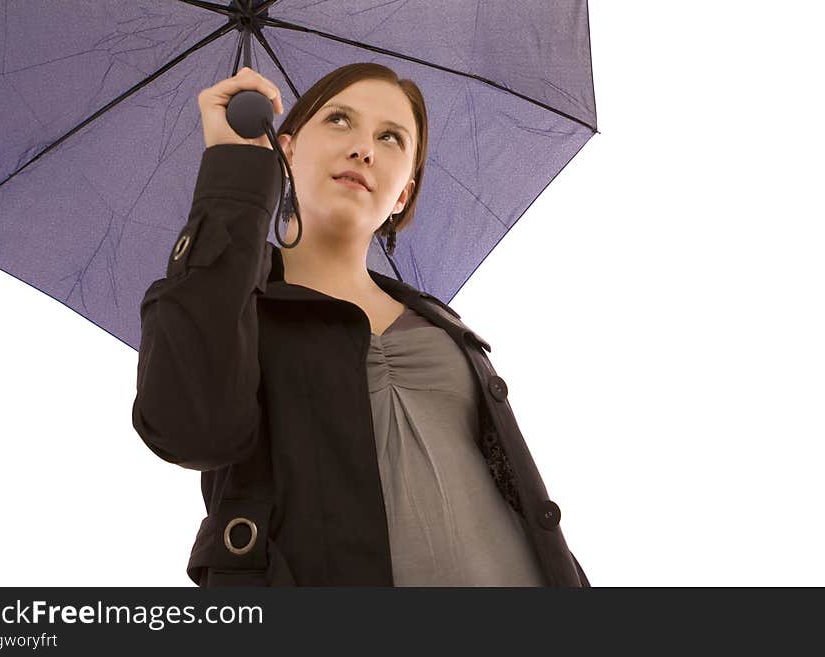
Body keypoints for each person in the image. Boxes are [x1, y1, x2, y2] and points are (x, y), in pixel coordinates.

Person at [132, 63, 590, 587]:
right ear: (285, 151)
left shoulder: (444, 326)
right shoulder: (224, 303)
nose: (364, 149)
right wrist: (235, 174)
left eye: (390, 137)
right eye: (339, 121)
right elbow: (190, 430)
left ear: (402, 195)